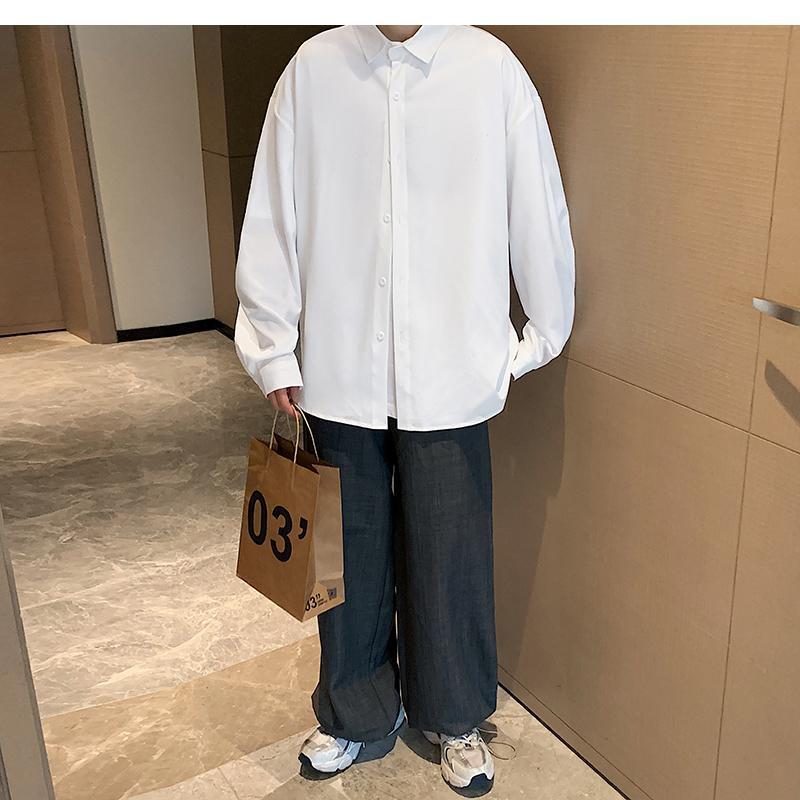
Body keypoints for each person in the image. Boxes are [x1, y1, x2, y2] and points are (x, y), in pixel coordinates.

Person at [234, 24, 575, 797]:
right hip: (339, 367)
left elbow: (537, 206)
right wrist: (273, 348)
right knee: (345, 553)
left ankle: (454, 715)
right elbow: (273, 217)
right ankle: (354, 710)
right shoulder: (313, 71)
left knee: (452, 551)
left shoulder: (490, 70)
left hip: (450, 371)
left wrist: (535, 337)